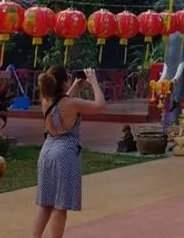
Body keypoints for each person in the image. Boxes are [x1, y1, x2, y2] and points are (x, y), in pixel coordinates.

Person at [33, 66, 106, 238]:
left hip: (46, 152)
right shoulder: (72, 104)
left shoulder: (46, 100)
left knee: (45, 204)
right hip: (64, 154)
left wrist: (73, 87)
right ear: (63, 82)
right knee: (60, 206)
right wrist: (93, 81)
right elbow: (100, 105)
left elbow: (60, 105)